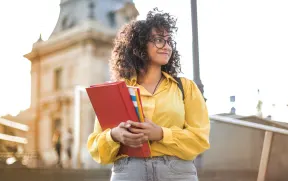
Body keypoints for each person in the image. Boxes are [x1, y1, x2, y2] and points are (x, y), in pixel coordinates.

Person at [87, 8, 210, 181]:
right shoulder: (116, 92)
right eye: (159, 40)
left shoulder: (186, 88)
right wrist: (115, 135)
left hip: (177, 172)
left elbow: (200, 139)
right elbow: (96, 147)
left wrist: (161, 133)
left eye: (169, 41)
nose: (166, 46)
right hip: (128, 171)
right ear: (139, 45)